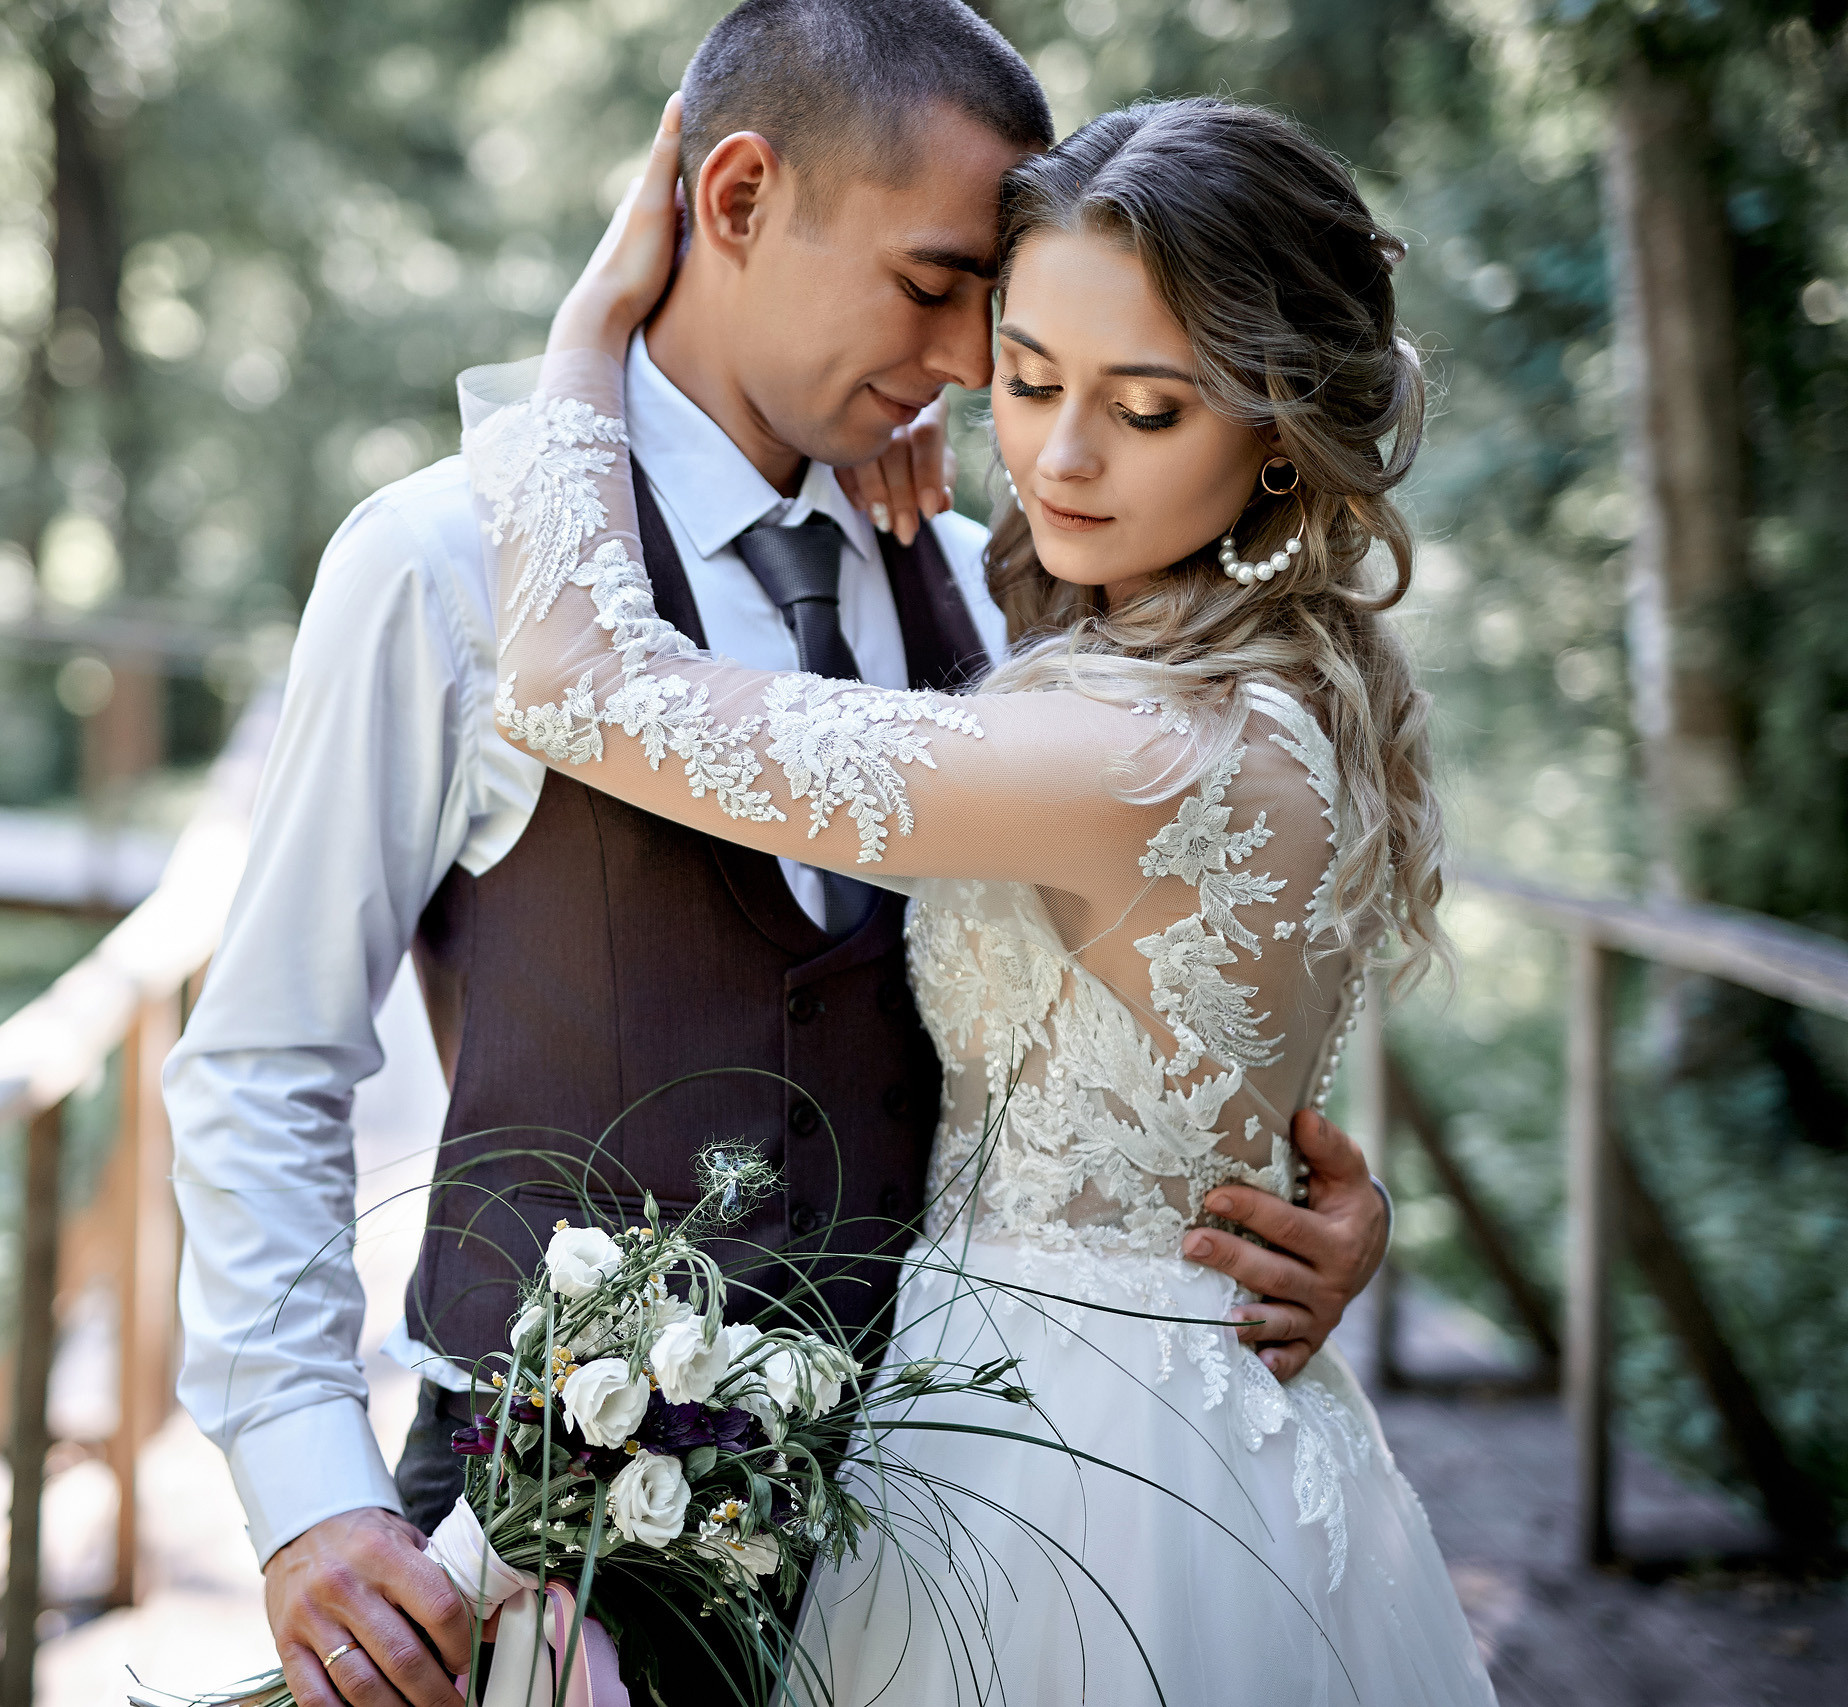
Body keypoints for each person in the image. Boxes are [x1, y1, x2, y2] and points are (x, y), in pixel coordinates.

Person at [166, 5, 1391, 1704]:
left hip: (964, 1554)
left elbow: (1175, 969)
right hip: (536, 1575)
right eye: (935, 287)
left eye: (1002, 322)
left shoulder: (989, 588)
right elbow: (264, 1059)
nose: (976, 370)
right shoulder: (443, 564)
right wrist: (305, 1492)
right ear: (730, 197)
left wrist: (1267, 1214)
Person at [459, 79, 1496, 1706]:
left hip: (1080, 1474)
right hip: (1137, 1403)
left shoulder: (1148, 744)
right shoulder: (1235, 679)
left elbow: (579, 683)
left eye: (1147, 411)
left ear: (1281, 433)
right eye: (1027, 376)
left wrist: (589, 341)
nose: (1065, 456)